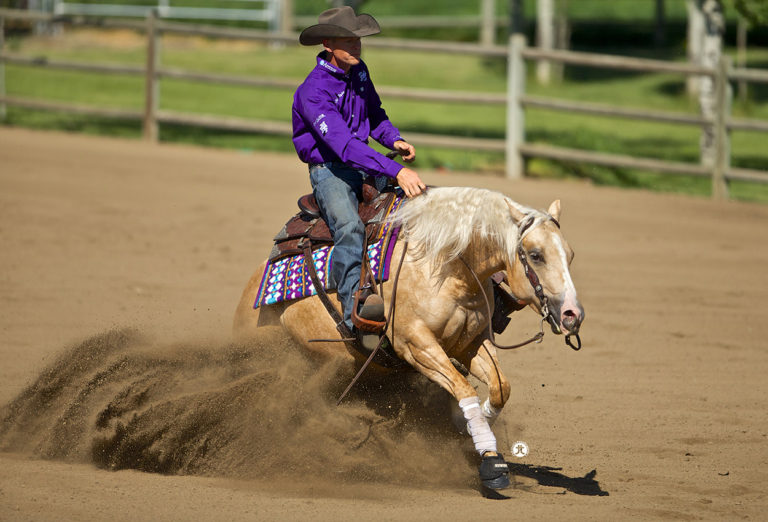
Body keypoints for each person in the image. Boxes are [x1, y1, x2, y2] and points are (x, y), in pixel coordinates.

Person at [292, 6, 426, 346]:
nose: (356, 47)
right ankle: (354, 313)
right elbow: (345, 147)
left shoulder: (359, 72)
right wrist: (396, 168)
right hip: (331, 171)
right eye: (347, 41)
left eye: (358, 40)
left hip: (362, 162)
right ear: (327, 44)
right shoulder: (313, 91)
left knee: (419, 207)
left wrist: (393, 138)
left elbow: (376, 115)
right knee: (350, 226)